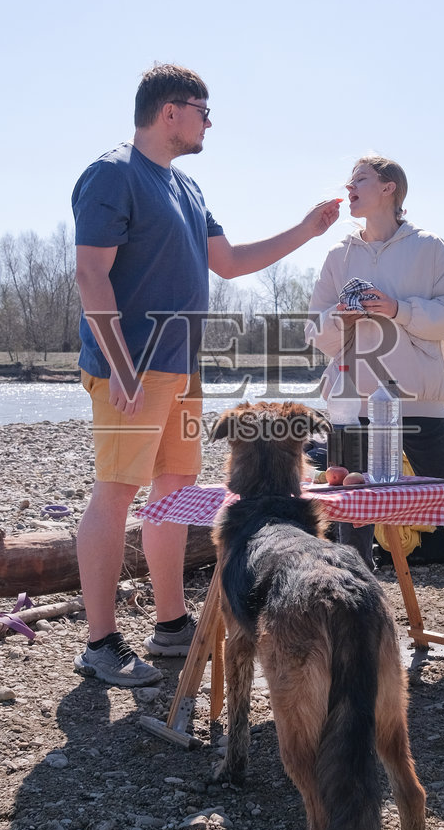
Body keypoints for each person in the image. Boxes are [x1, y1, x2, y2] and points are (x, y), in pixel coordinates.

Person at [72, 64, 341, 687]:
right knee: (115, 492)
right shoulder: (112, 176)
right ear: (171, 111)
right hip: (131, 367)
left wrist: (306, 229)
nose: (209, 123)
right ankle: (101, 644)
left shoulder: (187, 189)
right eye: (203, 110)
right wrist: (119, 361)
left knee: (174, 487)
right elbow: (91, 274)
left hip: (180, 366)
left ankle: (170, 627)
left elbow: (228, 262)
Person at [306, 154, 444, 642]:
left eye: (360, 179)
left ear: (389, 188)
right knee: (354, 516)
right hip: (355, 403)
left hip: (419, 404)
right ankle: (354, 621)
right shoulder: (338, 255)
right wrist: (342, 318)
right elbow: (315, 332)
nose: (350, 186)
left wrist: (397, 309)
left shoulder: (429, 248)